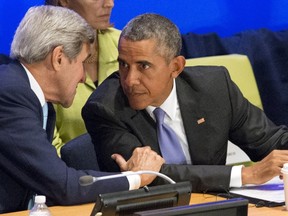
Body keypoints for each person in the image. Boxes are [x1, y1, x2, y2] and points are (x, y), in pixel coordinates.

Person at [82, 13, 288, 193]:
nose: (129, 80)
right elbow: (153, 177)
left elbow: (270, 142)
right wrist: (246, 174)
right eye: (124, 64)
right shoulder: (104, 108)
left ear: (176, 67)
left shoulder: (214, 87)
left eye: (143, 66)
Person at [0, 7, 164, 213]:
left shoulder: (37, 100)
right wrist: (137, 177)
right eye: (82, 63)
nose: (84, 77)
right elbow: (63, 185)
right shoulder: (10, 94)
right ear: (58, 58)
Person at [45, 0, 121, 155]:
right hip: (74, 173)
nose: (109, 3)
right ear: (64, 1)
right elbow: (47, 146)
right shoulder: (42, 58)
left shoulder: (125, 45)